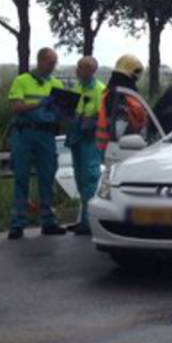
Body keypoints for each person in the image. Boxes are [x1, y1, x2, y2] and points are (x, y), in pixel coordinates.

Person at [6, 48, 66, 239]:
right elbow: (16, 107)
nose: (52, 67)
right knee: (21, 177)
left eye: (55, 63)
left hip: (46, 135)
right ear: (40, 61)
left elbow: (61, 114)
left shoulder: (56, 84)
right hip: (24, 133)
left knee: (47, 178)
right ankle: (17, 224)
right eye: (50, 63)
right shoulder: (22, 80)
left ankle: (48, 221)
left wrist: (64, 111)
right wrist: (39, 104)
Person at [64, 56, 105, 235]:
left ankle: (90, 222)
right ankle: (83, 219)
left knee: (90, 178)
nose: (77, 70)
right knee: (80, 178)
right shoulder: (78, 87)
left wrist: (88, 122)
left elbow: (101, 117)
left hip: (90, 138)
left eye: (81, 67)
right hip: (76, 136)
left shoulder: (100, 89)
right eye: (78, 66)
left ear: (91, 70)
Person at [97, 54, 148, 153]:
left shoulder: (111, 92)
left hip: (110, 148)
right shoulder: (121, 96)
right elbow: (119, 130)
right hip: (123, 149)